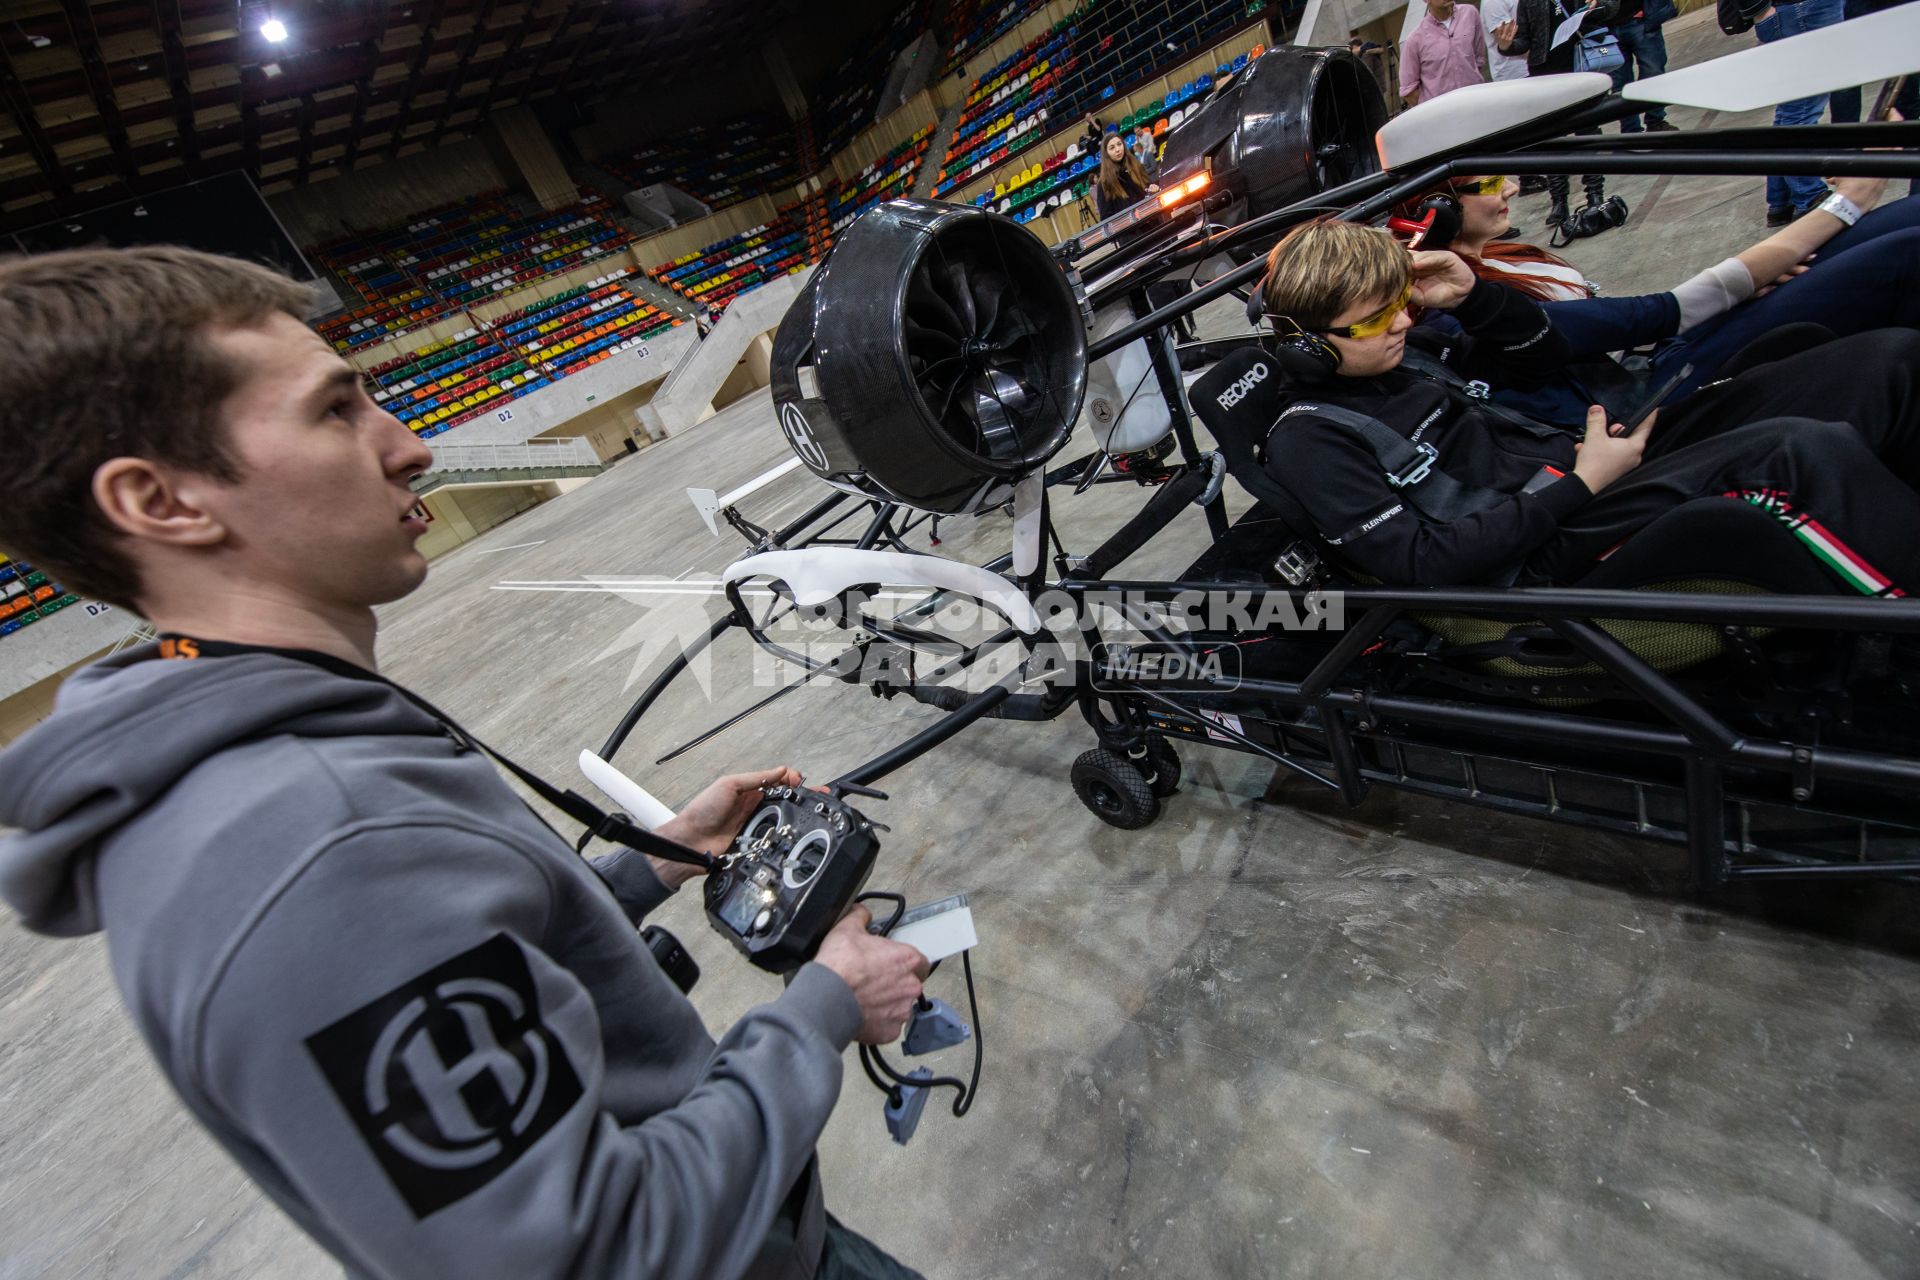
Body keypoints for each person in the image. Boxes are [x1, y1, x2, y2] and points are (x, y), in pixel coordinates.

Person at [0, 247, 933, 1280]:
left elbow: (468, 966)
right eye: (334, 411)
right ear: (163, 502)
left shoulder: (285, 756)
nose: (406, 446)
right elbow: (597, 1253)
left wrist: (651, 858)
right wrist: (823, 1007)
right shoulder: (310, 845)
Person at [1243, 219, 1920, 594]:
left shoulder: (1408, 351)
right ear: (1308, 348)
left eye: (1400, 305)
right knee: (1799, 457)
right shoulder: (1310, 441)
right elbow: (1422, 565)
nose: (1398, 324)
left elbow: (1539, 353)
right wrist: (1583, 483)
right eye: (1371, 319)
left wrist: (1474, 296)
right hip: (1548, 549)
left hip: (1586, 472)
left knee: (1880, 360)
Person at [1425, 173, 1920, 412]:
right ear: (1436, 207)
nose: (1512, 187)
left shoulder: (1505, 256)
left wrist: (1737, 293)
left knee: (1903, 220)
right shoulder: (1460, 302)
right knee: (1906, 252)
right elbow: (1661, 311)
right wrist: (1845, 204)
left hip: (1655, 356)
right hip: (1652, 397)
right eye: (1488, 183)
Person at [1497, 0, 1622, 229]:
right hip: (1546, 73)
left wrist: (1599, 4)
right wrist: (1506, 45)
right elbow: (1524, 40)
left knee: (1587, 134)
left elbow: (1612, 8)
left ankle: (1595, 194)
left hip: (1579, 64)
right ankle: (1559, 202)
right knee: (1552, 139)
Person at [1752, 0, 1846, 224]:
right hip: (1799, 9)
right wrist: (1758, 10)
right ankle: (1809, 194)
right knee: (1803, 108)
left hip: (1800, 9)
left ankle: (1782, 199)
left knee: (1793, 108)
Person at [1398, 0, 1493, 107]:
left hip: (1477, 102)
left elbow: (1478, 59)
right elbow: (1408, 91)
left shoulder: (1470, 13)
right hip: (1444, 115)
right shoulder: (1414, 40)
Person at [1610, 0, 1679, 132]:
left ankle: (1655, 121)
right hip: (1607, 30)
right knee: (1620, 84)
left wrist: (1652, 13)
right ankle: (1631, 130)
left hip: (1641, 21)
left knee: (1653, 73)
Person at [1095, 130, 1159, 218]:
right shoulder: (1104, 183)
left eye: (1119, 144)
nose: (1117, 149)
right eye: (1112, 147)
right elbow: (1106, 218)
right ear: (1106, 153)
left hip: (1151, 220)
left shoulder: (1136, 166)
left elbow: (1148, 187)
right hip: (1131, 230)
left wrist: (1153, 189)